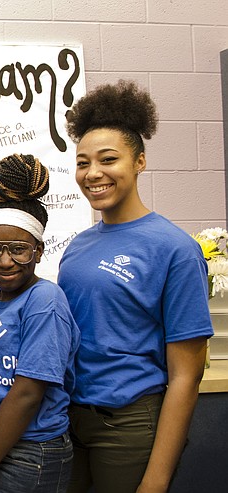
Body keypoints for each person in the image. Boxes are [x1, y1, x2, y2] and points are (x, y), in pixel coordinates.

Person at [58, 81, 213, 493]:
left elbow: (186, 376)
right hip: (70, 420)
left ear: (140, 161)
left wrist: (156, 480)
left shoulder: (175, 249)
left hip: (129, 425)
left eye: (109, 159)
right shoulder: (78, 245)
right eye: (82, 162)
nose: (93, 173)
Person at [0, 154, 80, 493]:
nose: (4, 261)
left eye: (18, 249)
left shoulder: (45, 300)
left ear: (39, 250)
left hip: (29, 453)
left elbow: (28, 393)